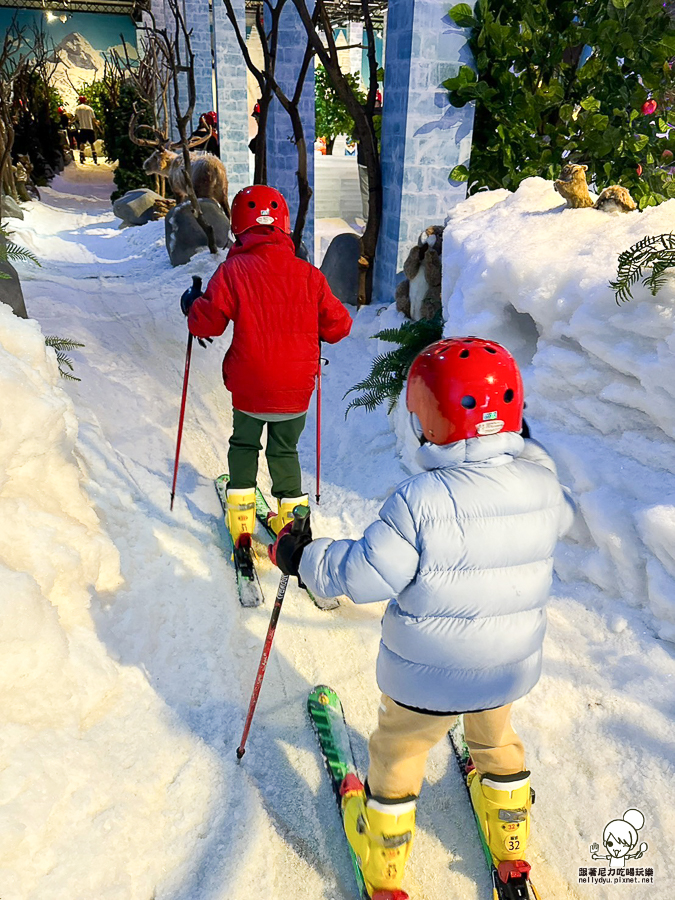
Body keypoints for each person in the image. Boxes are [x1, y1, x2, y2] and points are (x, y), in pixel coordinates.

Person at [270, 337, 574, 898]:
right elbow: (561, 517)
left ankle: (385, 859)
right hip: (503, 669)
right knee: (496, 738)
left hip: (427, 680)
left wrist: (303, 557)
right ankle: (512, 842)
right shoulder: (544, 486)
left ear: (429, 419)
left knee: (401, 749)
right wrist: (524, 450)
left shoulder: (420, 500)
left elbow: (362, 576)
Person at [182, 184, 352, 549]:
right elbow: (339, 326)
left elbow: (207, 323)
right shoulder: (309, 275)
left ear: (238, 227)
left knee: (244, 444)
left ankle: (241, 519)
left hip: (250, 385)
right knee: (284, 450)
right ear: (284, 226)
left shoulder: (233, 271)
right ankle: (292, 521)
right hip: (295, 388)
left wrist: (193, 304)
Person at [74, 96, 99, 165]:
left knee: (82, 143)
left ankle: (81, 157)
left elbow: (75, 117)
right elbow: (93, 119)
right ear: (85, 101)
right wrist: (97, 123)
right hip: (90, 128)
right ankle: (95, 158)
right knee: (92, 143)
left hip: (82, 128)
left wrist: (70, 121)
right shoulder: (89, 109)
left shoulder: (77, 108)